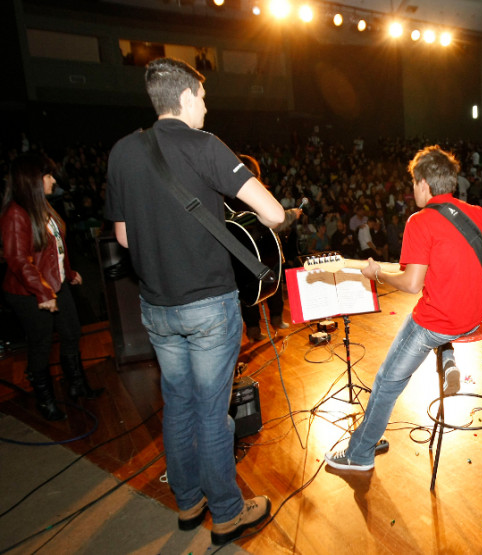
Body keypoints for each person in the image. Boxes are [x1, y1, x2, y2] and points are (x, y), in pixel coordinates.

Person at [105, 57, 282, 546]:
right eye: (202, 97)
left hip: (157, 308)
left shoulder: (123, 151)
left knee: (178, 405)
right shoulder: (205, 145)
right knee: (211, 411)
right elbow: (271, 212)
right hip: (208, 305)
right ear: (185, 97)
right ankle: (227, 511)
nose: (206, 106)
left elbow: (122, 238)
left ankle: (188, 503)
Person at [324, 145, 482, 471]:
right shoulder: (473, 212)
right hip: (473, 318)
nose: (413, 189)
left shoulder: (421, 220)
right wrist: (479, 241)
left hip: (441, 322)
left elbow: (412, 283)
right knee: (438, 302)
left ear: (425, 185)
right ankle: (447, 359)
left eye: (414, 183)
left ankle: (360, 453)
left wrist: (377, 275)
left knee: (387, 380)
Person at [2, 153, 103, 421]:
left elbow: (55, 248)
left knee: (72, 333)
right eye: (48, 175)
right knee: (41, 343)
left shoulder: (43, 207)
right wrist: (43, 292)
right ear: (33, 180)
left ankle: (76, 384)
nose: (53, 180)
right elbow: (18, 260)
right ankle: (45, 400)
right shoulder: (16, 213)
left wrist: (68, 273)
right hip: (29, 293)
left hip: (53, 285)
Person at [232, 154, 300, 342]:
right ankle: (269, 322)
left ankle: (257, 327)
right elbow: (274, 222)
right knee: (264, 284)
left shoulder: (228, 195)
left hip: (248, 250)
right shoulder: (253, 193)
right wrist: (292, 215)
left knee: (250, 288)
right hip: (258, 247)